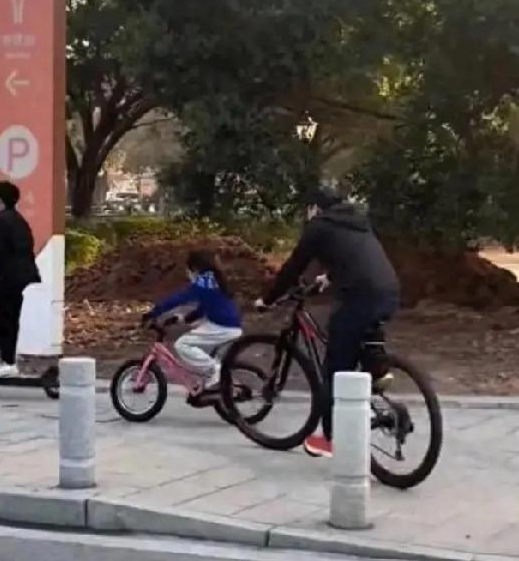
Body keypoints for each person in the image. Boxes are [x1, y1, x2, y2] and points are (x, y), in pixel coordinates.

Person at [255, 187, 400, 459]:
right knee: (360, 345)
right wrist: (329, 276)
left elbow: (294, 266)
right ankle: (371, 385)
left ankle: (332, 438)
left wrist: (268, 298)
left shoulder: (318, 226)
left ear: (315, 208)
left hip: (360, 296)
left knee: (334, 365)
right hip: (389, 291)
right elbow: (354, 257)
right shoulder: (357, 221)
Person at [143, 250, 242, 390]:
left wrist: (154, 312)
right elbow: (207, 305)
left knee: (182, 345)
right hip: (228, 325)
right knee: (200, 354)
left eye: (187, 269)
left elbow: (179, 298)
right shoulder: (213, 280)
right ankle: (217, 381)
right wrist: (185, 318)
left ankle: (216, 371)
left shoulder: (203, 281)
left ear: (194, 268)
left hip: (222, 327)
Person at [0, 181, 41, 378]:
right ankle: (9, 359)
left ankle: (9, 362)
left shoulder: (2, 220)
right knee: (7, 318)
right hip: (18, 277)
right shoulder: (16, 219)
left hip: (9, 277)